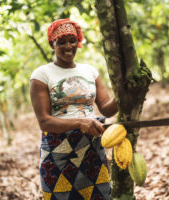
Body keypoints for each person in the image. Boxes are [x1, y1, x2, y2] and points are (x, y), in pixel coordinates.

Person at [30, 18, 118, 200]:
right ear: (52, 43)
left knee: (99, 196)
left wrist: (123, 96)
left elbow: (107, 109)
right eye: (61, 41)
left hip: (92, 148)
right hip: (58, 152)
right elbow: (44, 121)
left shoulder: (90, 71)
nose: (68, 46)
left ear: (78, 42)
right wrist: (80, 122)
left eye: (72, 40)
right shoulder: (41, 75)